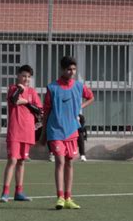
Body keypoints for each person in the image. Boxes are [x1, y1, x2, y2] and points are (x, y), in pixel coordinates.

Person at [40, 56, 94, 210]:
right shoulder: (52, 88)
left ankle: (68, 198)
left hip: (72, 130)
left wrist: (80, 106)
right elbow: (46, 111)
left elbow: (91, 97)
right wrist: (43, 134)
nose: (72, 72)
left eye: (74, 69)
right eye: (69, 69)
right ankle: (60, 197)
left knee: (70, 163)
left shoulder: (78, 86)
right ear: (62, 70)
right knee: (60, 162)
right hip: (55, 130)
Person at [0, 65, 42, 202]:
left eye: (29, 77)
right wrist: (20, 90)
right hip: (14, 131)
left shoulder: (32, 92)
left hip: (27, 132)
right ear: (18, 76)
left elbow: (39, 110)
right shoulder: (13, 88)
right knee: (12, 160)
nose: (26, 79)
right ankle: (5, 193)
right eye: (24, 76)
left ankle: (19, 192)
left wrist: (25, 102)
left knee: (21, 162)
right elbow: (13, 99)